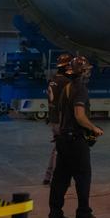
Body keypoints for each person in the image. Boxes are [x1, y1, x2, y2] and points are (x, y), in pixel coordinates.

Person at [48, 56, 106, 218]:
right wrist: (93, 128)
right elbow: (79, 115)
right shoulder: (80, 88)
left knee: (60, 178)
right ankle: (83, 215)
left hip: (63, 138)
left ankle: (55, 215)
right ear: (84, 72)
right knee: (83, 176)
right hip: (75, 139)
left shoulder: (66, 87)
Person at [43, 52, 74, 185]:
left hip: (53, 118)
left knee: (56, 148)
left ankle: (48, 176)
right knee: (62, 151)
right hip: (61, 121)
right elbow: (66, 104)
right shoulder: (66, 83)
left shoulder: (53, 80)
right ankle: (57, 178)